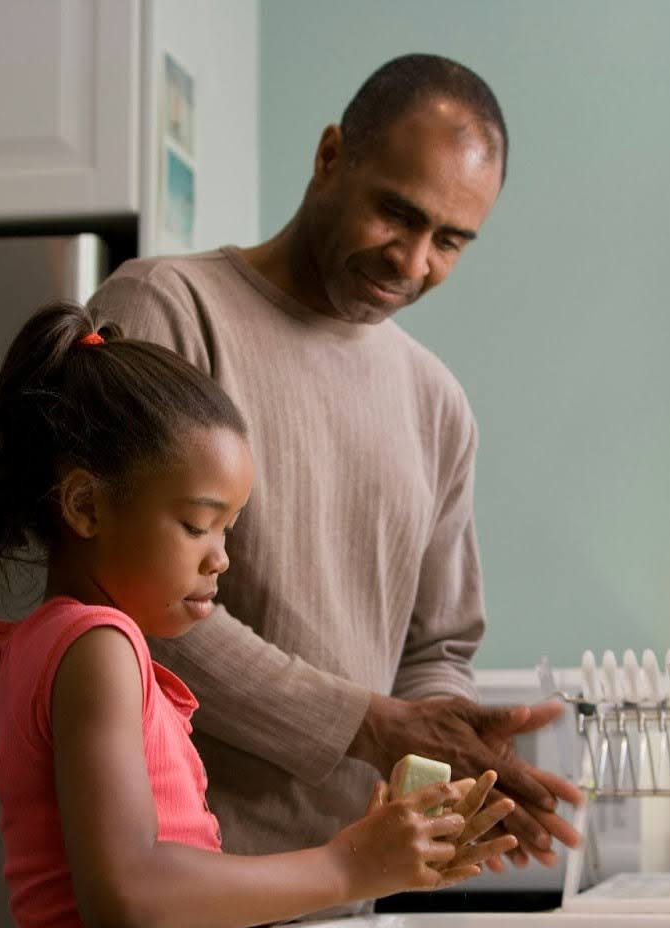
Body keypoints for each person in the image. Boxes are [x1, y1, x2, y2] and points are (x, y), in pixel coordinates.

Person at [88, 54, 583, 875]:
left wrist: (448, 745)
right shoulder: (166, 310)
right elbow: (127, 600)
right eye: (397, 213)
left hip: (345, 895)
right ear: (330, 158)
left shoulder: (437, 403)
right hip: (173, 887)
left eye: (450, 241)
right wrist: (372, 725)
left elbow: (436, 647)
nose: (413, 261)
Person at [0, 301, 517, 928]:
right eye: (197, 525)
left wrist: (369, 855)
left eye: (229, 529)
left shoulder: (54, 642)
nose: (222, 559)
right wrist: (346, 866)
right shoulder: (99, 646)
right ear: (86, 507)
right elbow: (127, 890)